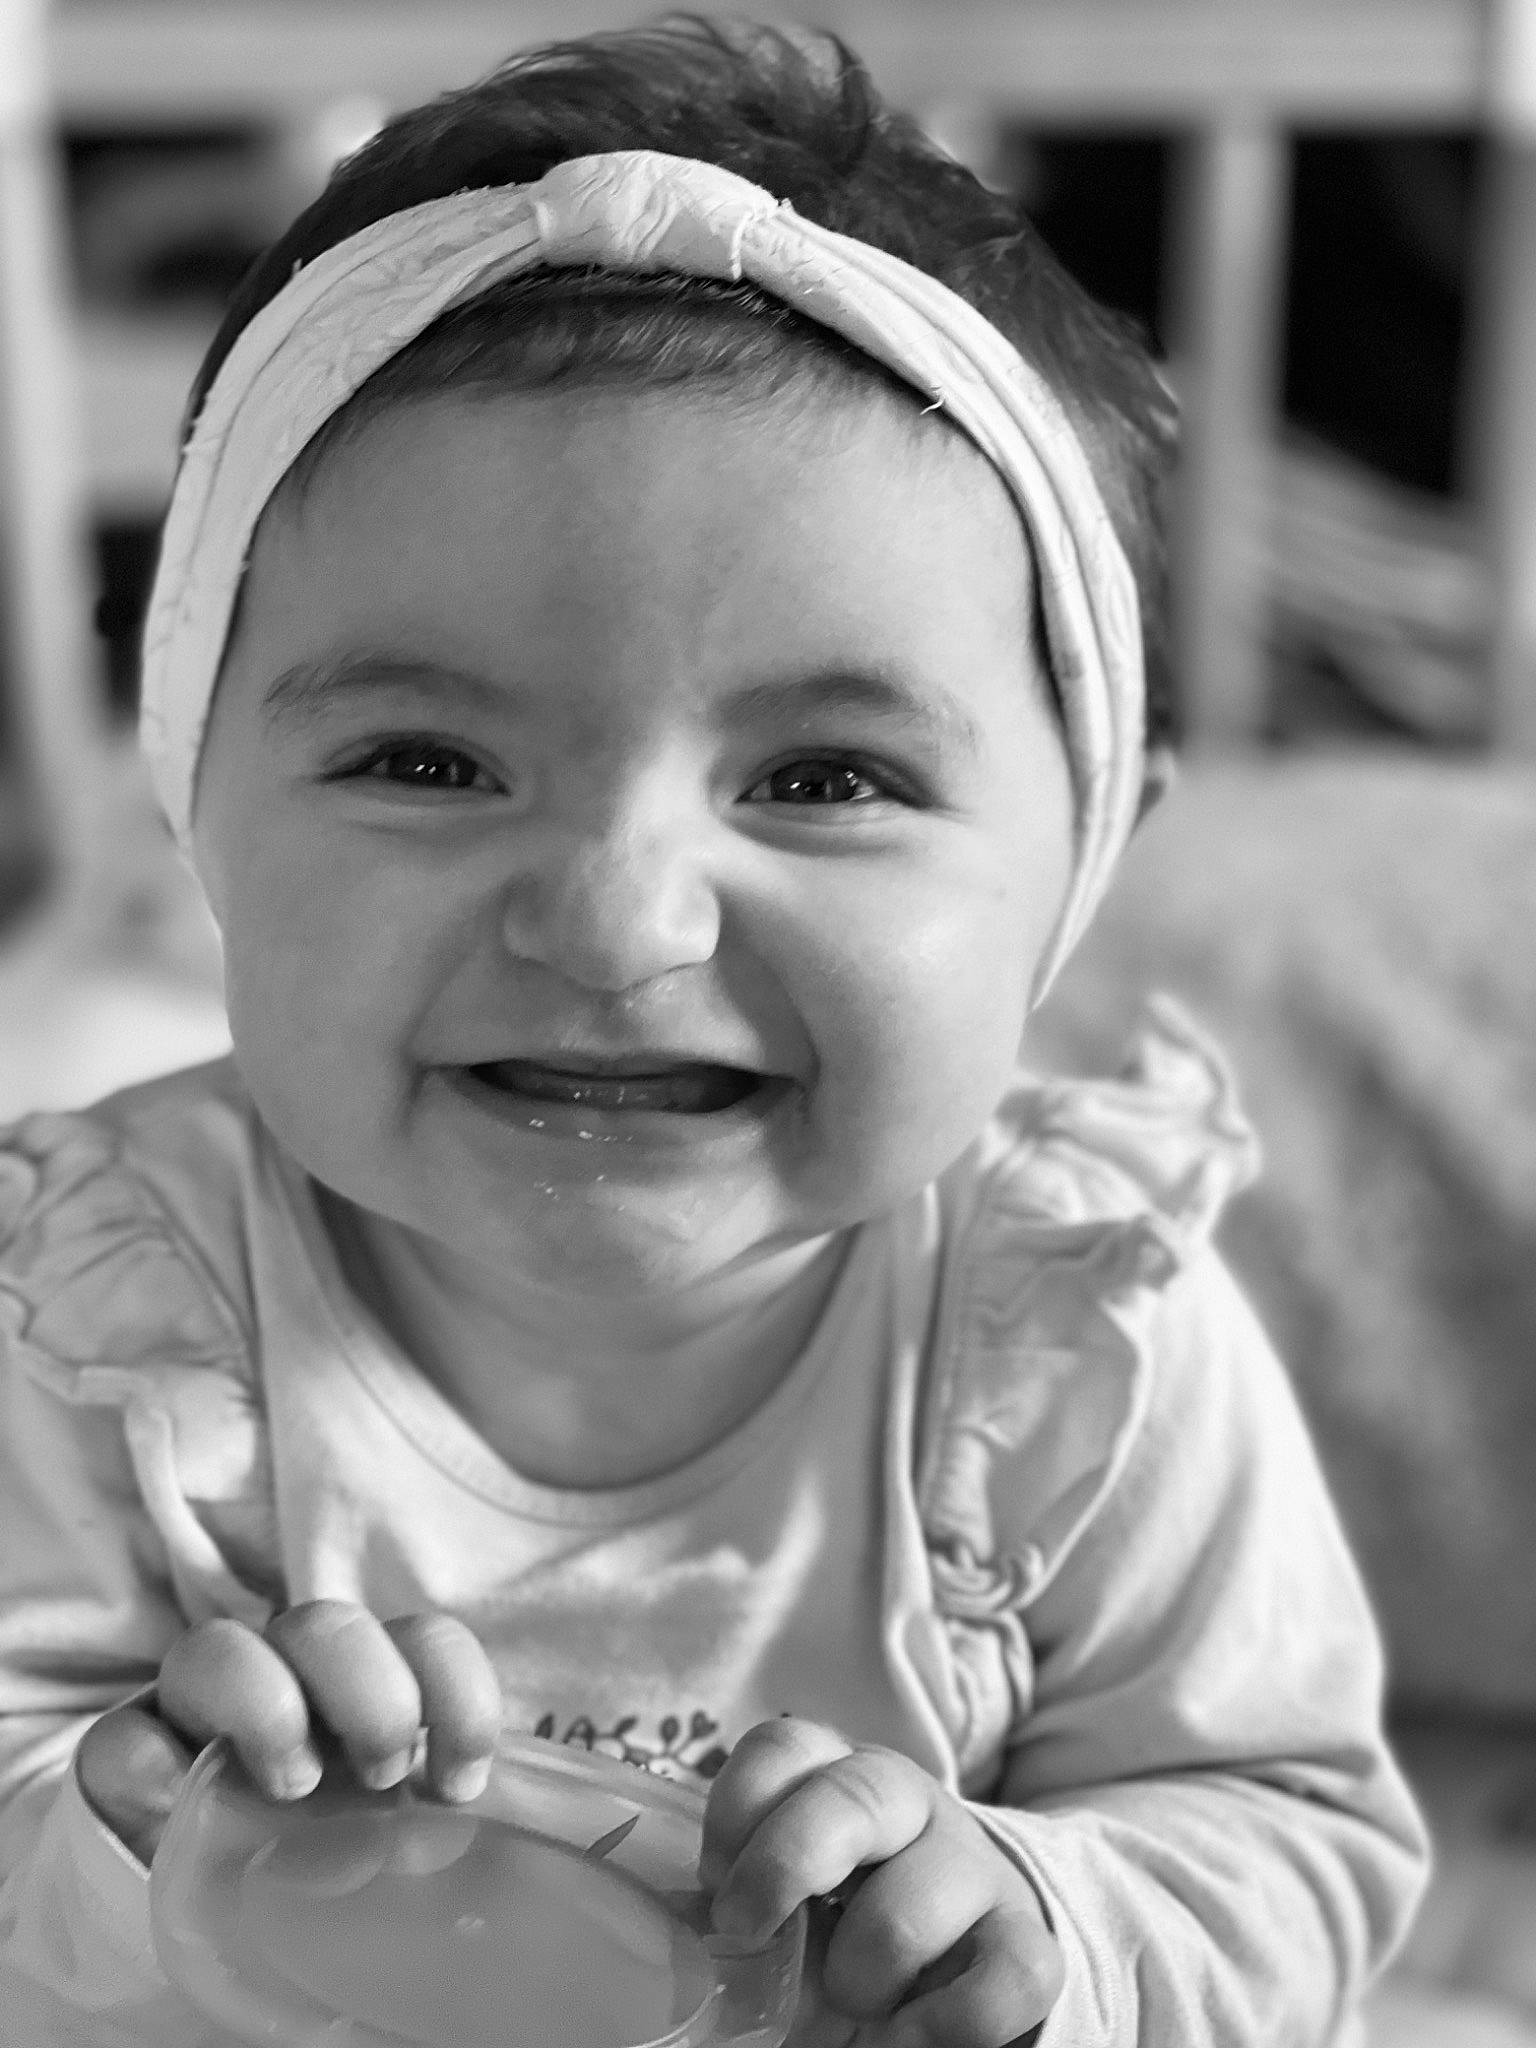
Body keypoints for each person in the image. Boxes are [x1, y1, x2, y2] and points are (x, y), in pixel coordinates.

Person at [0, 17, 1426, 2045]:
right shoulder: (89, 1317)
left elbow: (1284, 1835)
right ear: (195, 804)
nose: (612, 918)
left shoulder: (1071, 1338)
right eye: (425, 756)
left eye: (828, 779)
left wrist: (1035, 1916)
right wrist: (121, 1834)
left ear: (1078, 872)